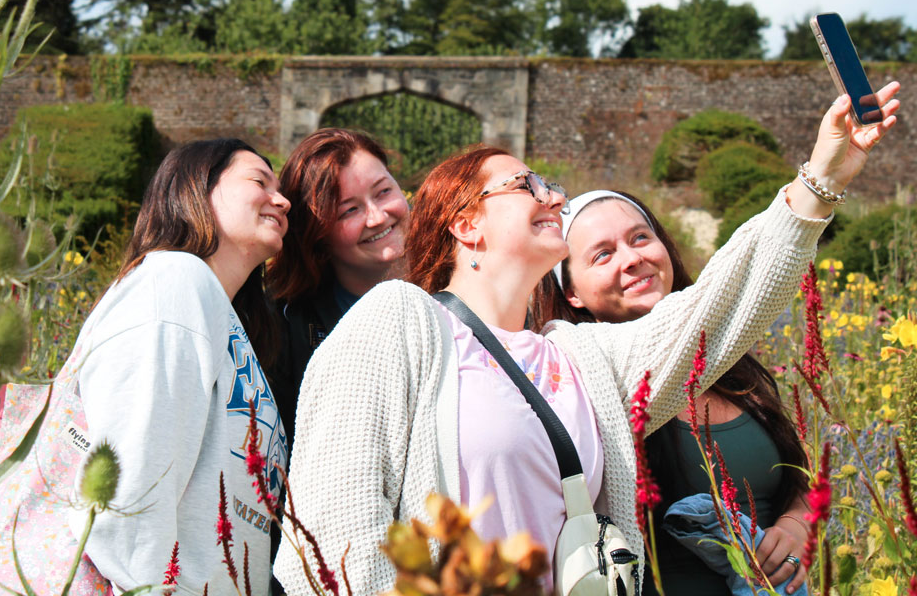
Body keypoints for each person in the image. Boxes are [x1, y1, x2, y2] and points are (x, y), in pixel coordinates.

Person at [273, 87, 899, 596]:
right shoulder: (400, 321)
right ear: (468, 226)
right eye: (526, 185)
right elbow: (332, 533)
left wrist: (820, 179)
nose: (553, 195)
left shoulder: (578, 355)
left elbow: (715, 312)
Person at [0, 139, 291, 595]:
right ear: (195, 189)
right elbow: (131, 478)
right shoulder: (175, 281)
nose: (282, 199)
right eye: (259, 181)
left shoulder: (222, 318)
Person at [536, 189, 810, 595]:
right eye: (603, 255)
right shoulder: (585, 391)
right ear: (572, 293)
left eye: (640, 237)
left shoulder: (729, 365)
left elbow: (796, 479)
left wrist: (796, 526)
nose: (632, 259)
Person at [266, 128, 408, 450]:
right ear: (316, 235)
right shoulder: (286, 327)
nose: (378, 217)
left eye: (383, 191)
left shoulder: (455, 289)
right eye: (349, 210)